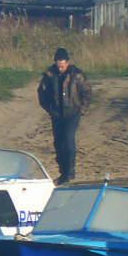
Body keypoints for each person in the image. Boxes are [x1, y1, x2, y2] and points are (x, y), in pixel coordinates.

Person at [37, 47, 90, 184]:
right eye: (58, 63)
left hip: (72, 113)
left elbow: (87, 92)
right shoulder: (49, 75)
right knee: (58, 143)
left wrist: (81, 109)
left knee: (68, 140)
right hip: (56, 114)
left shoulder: (77, 75)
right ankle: (63, 172)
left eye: (62, 63)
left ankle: (70, 172)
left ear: (67, 62)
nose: (60, 66)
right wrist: (49, 109)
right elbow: (41, 93)